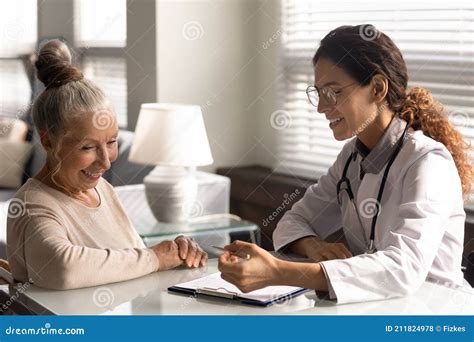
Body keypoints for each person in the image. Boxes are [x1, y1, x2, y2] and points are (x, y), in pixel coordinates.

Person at [218, 24, 472, 304]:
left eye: (333, 92)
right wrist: (314, 247)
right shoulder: (352, 157)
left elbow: (403, 267)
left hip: (439, 313)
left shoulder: (427, 162)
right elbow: (291, 222)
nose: (320, 108)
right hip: (380, 308)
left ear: (377, 88)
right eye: (318, 93)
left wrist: (279, 271)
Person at [7, 40, 207, 290]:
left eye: (111, 142)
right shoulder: (32, 204)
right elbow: (62, 269)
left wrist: (176, 253)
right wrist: (155, 257)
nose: (105, 160)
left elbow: (131, 260)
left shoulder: (102, 189)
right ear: (48, 140)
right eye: (88, 147)